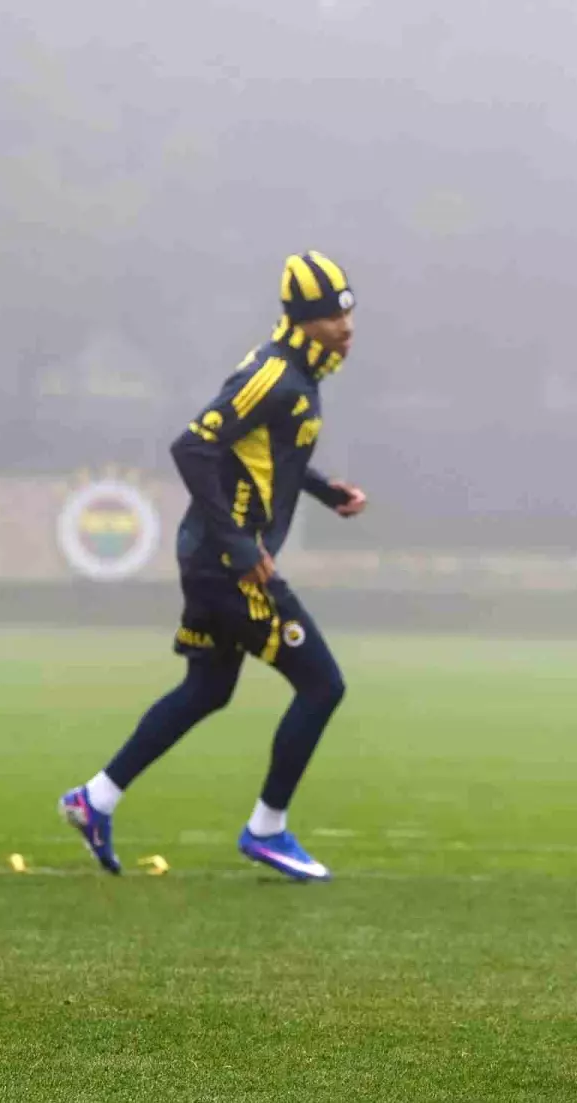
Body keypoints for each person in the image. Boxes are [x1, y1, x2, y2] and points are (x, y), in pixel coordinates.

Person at [59, 251, 367, 882]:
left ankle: (95, 799)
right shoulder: (272, 375)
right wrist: (241, 545)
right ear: (303, 320)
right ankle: (267, 831)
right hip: (226, 565)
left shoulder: (301, 376)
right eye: (333, 316)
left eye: (349, 311)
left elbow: (263, 456)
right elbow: (193, 444)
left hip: (215, 557)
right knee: (322, 684)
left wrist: (324, 489)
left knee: (207, 688)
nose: (347, 325)